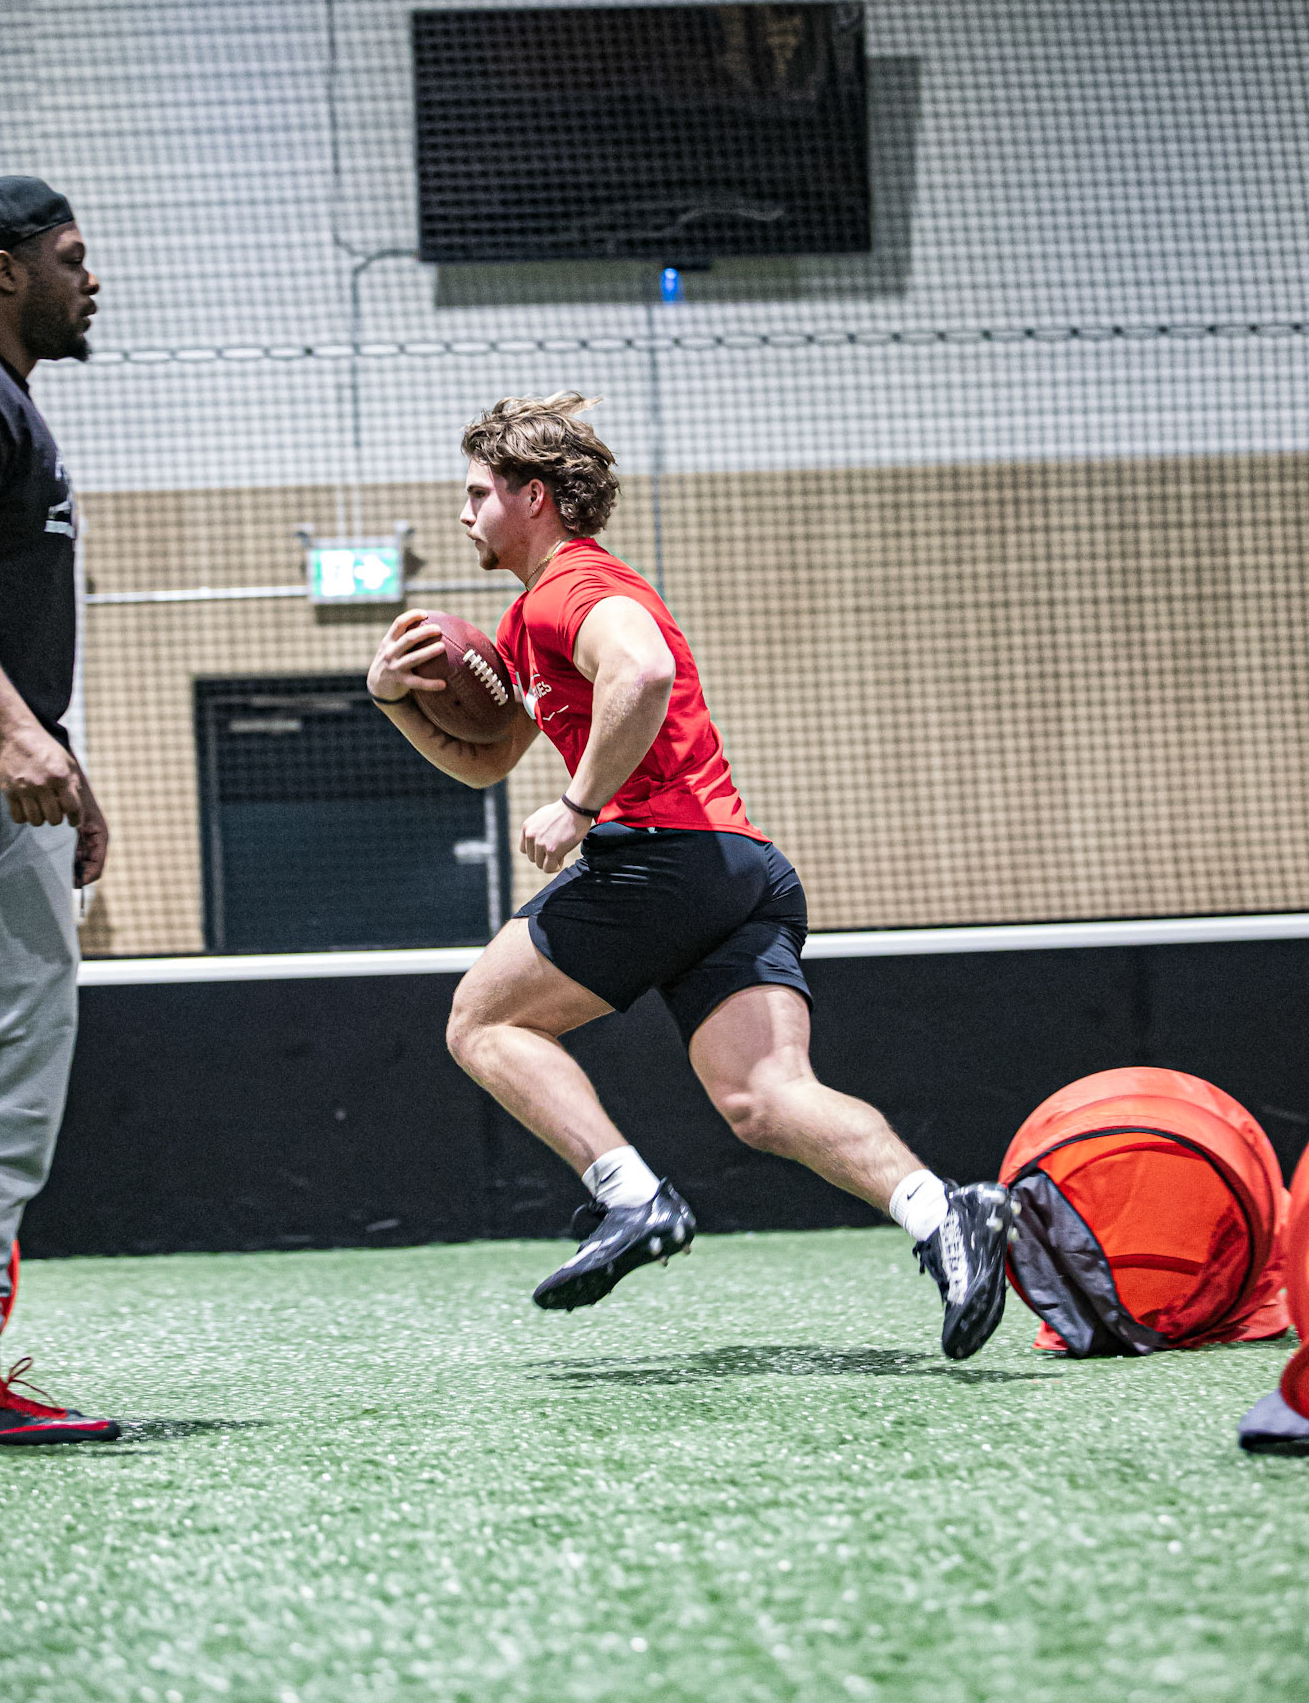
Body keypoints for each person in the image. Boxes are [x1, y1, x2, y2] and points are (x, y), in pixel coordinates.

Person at [368, 392, 1017, 1358]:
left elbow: (640, 675)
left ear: (533, 496)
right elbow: (488, 759)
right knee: (764, 1099)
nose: (463, 513)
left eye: (476, 493)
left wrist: (579, 805)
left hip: (663, 855)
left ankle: (630, 1197)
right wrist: (391, 700)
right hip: (739, 868)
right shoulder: (529, 621)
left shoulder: (571, 589)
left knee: (483, 1021)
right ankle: (944, 1211)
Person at [0, 177, 118, 1444]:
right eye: (71, 256)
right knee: (9, 1070)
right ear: (5, 269)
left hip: (5, 764)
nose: (92, 279)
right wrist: (15, 732)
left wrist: (55, 746)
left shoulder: (1, 398)